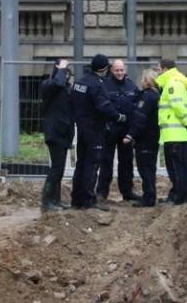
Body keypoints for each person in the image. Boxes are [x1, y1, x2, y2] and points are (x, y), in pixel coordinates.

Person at [70, 53, 125, 210]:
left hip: (81, 128)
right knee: (92, 164)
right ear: (104, 69)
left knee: (81, 163)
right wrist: (119, 117)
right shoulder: (97, 85)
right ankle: (88, 200)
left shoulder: (79, 83)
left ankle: (76, 199)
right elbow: (104, 107)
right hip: (95, 129)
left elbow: (72, 103)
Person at [96, 59, 140, 202]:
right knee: (106, 162)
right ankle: (102, 193)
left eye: (121, 70)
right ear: (111, 70)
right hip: (109, 129)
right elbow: (102, 107)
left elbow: (137, 106)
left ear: (125, 70)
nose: (119, 73)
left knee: (126, 162)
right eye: (117, 70)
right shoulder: (105, 86)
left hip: (126, 130)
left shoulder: (132, 86)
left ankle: (127, 192)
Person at [155, 57, 187, 205]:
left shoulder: (172, 84)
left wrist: (186, 121)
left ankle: (178, 196)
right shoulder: (178, 81)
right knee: (181, 166)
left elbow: (177, 105)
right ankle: (181, 195)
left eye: (159, 69)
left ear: (165, 69)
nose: (158, 73)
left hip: (175, 134)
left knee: (176, 168)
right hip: (178, 133)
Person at [122, 69, 161, 207]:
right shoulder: (156, 95)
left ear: (146, 81)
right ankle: (150, 195)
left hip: (145, 138)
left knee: (145, 168)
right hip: (153, 136)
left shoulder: (147, 97)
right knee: (150, 168)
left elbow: (140, 118)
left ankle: (148, 198)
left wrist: (130, 135)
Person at [39, 58, 73, 212]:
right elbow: (57, 82)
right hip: (54, 132)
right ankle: (47, 201)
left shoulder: (65, 88)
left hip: (64, 133)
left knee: (59, 169)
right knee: (56, 168)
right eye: (64, 72)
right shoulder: (49, 85)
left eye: (67, 74)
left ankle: (56, 200)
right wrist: (61, 68)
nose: (66, 76)